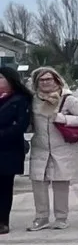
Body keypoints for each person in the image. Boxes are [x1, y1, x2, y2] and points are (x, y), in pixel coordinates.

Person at [26, 66, 78, 230]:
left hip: (62, 148)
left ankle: (61, 217)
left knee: (61, 184)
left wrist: (62, 118)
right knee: (38, 183)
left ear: (56, 80)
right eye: (42, 79)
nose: (46, 82)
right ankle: (41, 217)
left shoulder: (67, 98)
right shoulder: (33, 99)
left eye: (49, 79)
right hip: (40, 147)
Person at [0, 66, 33, 235]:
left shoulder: (20, 100)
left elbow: (20, 126)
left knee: (4, 186)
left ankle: (2, 221)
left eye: (0, 78)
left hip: (8, 150)